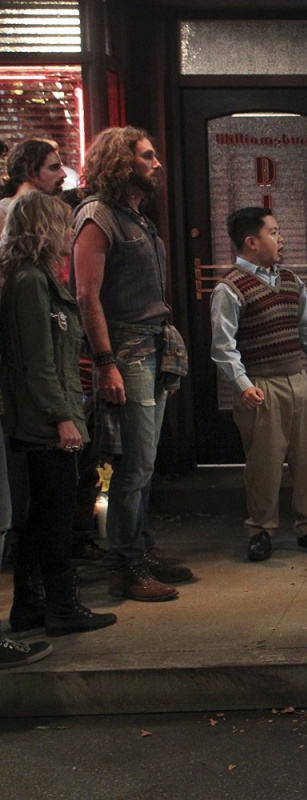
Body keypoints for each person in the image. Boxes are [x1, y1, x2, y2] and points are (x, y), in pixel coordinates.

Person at [73, 126, 193, 601]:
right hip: (127, 349)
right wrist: (105, 362)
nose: (156, 163)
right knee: (133, 464)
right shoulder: (98, 215)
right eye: (146, 156)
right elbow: (86, 295)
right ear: (121, 163)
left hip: (151, 345)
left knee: (145, 461)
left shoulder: (135, 216)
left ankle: (138, 548)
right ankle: (125, 564)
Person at [0, 192, 118, 638]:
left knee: (44, 513)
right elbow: (38, 362)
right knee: (54, 514)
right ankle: (61, 606)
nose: (71, 234)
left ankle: (31, 605)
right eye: (65, 225)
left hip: (48, 414)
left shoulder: (38, 280)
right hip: (43, 421)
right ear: (44, 229)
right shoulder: (30, 282)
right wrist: (62, 417)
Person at [210, 207, 307, 562]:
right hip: (260, 385)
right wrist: (243, 385)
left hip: (298, 379)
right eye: (273, 232)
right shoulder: (230, 288)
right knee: (264, 464)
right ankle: (260, 529)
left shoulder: (290, 280)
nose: (281, 238)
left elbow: (306, 330)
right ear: (251, 242)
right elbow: (223, 347)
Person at [0, 139, 66, 231]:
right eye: (53, 168)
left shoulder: (55, 213)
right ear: (30, 173)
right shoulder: (3, 213)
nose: (63, 174)